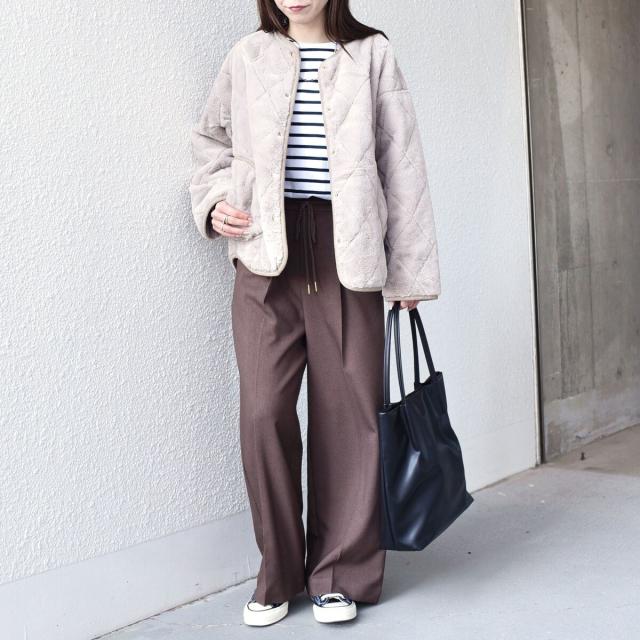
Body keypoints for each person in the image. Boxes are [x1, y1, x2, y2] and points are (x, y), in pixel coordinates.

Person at [189, 0, 441, 627]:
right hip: (266, 252)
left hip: (347, 250)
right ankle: (278, 573)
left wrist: (409, 272)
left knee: (350, 413)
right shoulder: (248, 55)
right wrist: (216, 203)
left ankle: (339, 574)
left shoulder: (372, 53)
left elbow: (402, 164)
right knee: (263, 412)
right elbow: (211, 143)